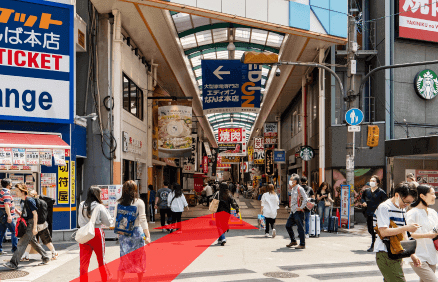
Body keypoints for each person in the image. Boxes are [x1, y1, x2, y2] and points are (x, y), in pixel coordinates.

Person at [374, 182, 421, 281]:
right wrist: (406, 228)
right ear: (397, 195)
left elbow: (403, 233)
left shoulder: (402, 209)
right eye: (406, 202)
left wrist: (412, 254)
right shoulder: (384, 207)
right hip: (385, 252)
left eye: (410, 203)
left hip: (396, 252)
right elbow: (383, 232)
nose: (407, 205)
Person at [3, 183, 50, 270]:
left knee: (21, 243)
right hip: (26, 223)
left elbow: (35, 214)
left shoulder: (29, 200)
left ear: (22, 191)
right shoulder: (22, 201)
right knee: (33, 242)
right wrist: (18, 212)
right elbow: (25, 213)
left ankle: (13, 263)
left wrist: (35, 227)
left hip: (31, 224)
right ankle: (45, 256)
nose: (16, 193)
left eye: (17, 191)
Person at [114, 180, 151, 282]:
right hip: (137, 233)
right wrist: (147, 236)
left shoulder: (118, 203)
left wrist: (118, 234)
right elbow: (143, 220)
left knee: (123, 258)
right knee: (139, 259)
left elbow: (116, 219)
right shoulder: (139, 202)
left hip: (123, 233)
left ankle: (119, 280)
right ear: (135, 190)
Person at [77, 186, 113, 281]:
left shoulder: (81, 205)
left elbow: (80, 222)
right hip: (96, 232)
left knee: (83, 262)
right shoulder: (99, 206)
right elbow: (108, 223)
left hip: (84, 233)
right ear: (97, 195)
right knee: (101, 260)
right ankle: (104, 279)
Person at [406, 185, 438, 282]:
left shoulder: (433, 212)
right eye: (432, 193)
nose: (435, 196)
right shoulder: (412, 213)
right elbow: (407, 235)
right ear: (422, 196)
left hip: (432, 255)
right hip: (418, 256)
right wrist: (428, 235)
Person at [20, 190, 58, 261]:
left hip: (35, 224)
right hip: (42, 224)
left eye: (30, 195)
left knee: (31, 240)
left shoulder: (32, 202)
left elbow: (33, 214)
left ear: (34, 195)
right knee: (45, 240)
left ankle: (26, 256)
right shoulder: (43, 202)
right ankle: (53, 253)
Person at [361, 175, 388, 252]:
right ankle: (375, 243)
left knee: (374, 230)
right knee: (370, 229)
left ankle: (373, 244)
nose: (371, 182)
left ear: (377, 183)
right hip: (368, 212)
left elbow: (386, 202)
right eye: (371, 180)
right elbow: (362, 198)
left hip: (377, 213)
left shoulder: (381, 192)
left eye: (373, 181)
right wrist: (363, 202)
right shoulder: (367, 191)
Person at [285, 175, 308, 249]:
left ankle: (302, 244)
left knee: (300, 227)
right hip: (293, 211)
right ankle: (293, 241)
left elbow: (305, 199)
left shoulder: (299, 188)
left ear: (295, 181)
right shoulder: (293, 189)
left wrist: (301, 207)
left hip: (298, 211)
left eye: (291, 180)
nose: (290, 181)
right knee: (288, 225)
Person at [0, 178, 17, 255]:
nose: (11, 184)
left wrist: (17, 211)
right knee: (14, 231)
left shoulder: (2, 191)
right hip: (7, 216)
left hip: (2, 216)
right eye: (11, 183)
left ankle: (0, 250)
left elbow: (10, 204)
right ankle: (15, 249)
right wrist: (9, 216)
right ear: (8, 185)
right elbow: (7, 205)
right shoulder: (6, 193)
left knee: (1, 233)